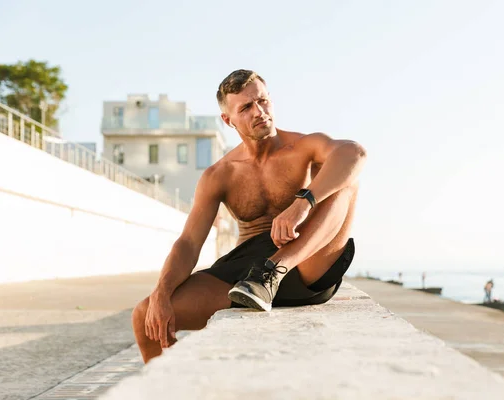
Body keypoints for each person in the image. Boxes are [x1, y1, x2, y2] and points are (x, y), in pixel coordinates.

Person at [131, 69, 367, 363]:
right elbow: (189, 242)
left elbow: (355, 153)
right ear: (228, 120)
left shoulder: (304, 147)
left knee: (344, 176)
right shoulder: (219, 174)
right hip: (248, 276)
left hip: (306, 260)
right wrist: (161, 293)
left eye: (263, 101)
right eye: (246, 107)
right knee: (144, 318)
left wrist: (302, 204)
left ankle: (274, 272)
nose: (260, 112)